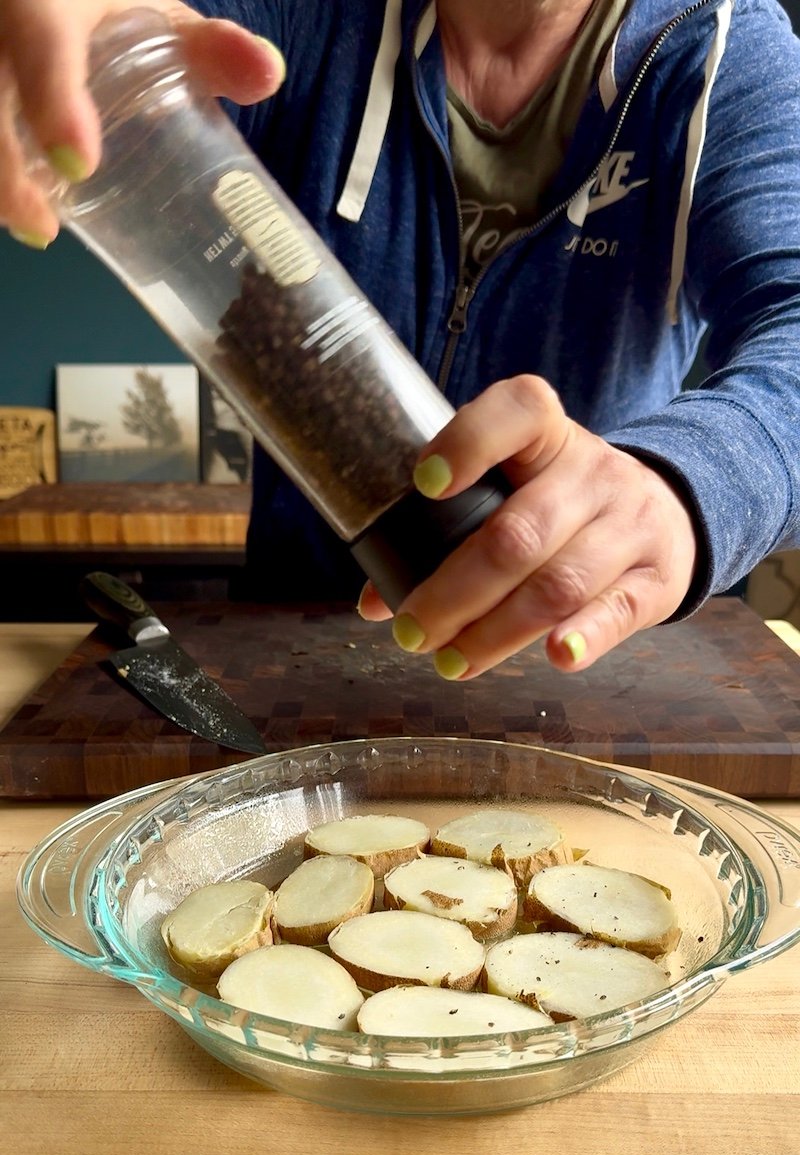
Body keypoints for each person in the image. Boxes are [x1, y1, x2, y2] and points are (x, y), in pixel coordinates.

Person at [2, 0, 800, 681]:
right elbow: (135, 31)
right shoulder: (309, 18)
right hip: (295, 655)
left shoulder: (724, 51)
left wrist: (679, 486)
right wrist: (84, 41)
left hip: (580, 656)